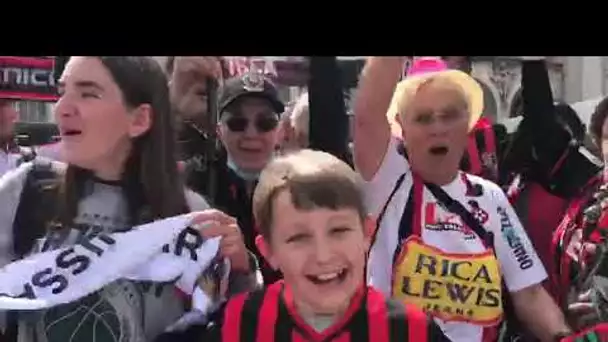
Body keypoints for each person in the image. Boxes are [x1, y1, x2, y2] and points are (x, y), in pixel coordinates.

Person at [0, 56, 259, 342]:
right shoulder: (24, 191)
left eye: (88, 93)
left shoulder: (191, 214)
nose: (62, 109)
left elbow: (229, 323)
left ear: (139, 119)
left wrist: (239, 270)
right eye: (63, 92)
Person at [353, 56, 572, 342]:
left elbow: (528, 292)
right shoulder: (388, 183)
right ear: (402, 131)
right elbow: (368, 117)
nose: (438, 128)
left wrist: (564, 337)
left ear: (467, 125)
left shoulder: (490, 198)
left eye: (449, 115)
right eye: (423, 118)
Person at [160, 149, 451, 341]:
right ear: (269, 252)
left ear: (367, 234)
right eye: (299, 238)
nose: (323, 255)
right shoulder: (236, 327)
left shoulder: (412, 332)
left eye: (338, 230)